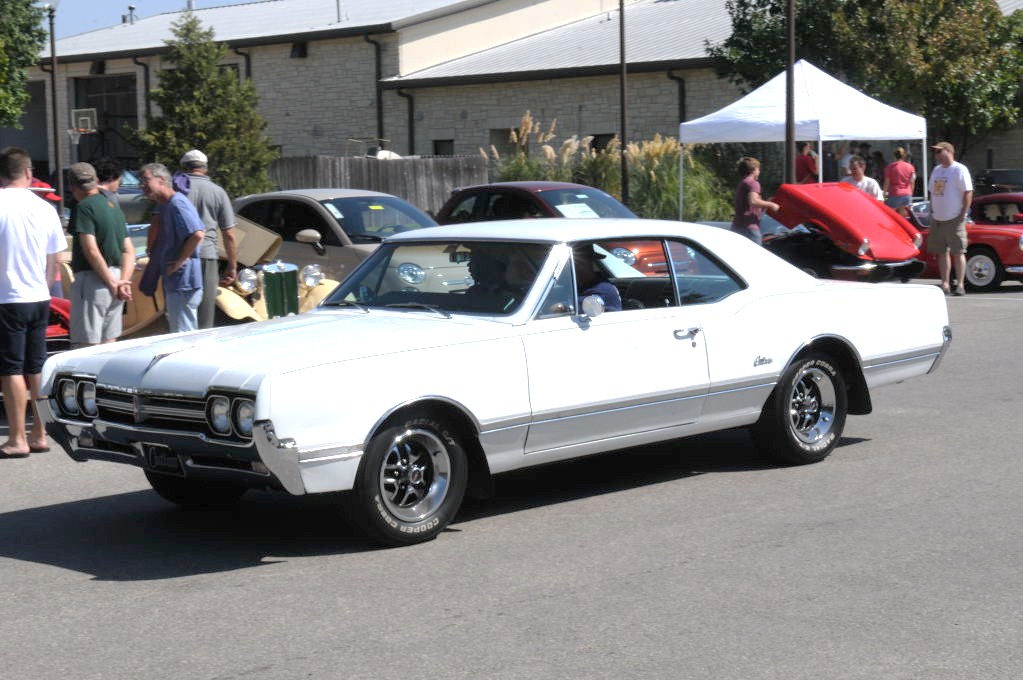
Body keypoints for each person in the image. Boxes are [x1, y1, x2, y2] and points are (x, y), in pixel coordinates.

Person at [0, 147, 66, 458]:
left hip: (7, 297)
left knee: (11, 367)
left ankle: (17, 438)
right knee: (36, 365)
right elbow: (55, 259)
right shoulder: (45, 208)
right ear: (28, 173)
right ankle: (40, 432)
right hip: (39, 295)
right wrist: (45, 288)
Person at [66, 162, 134, 348]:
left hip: (93, 280)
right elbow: (129, 250)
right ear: (96, 180)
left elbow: (91, 249)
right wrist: (123, 282)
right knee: (108, 346)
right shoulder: (113, 207)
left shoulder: (83, 207)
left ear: (72, 186)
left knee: (85, 347)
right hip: (118, 278)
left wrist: (111, 283)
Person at [139, 162, 205, 332]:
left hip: (184, 282)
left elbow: (198, 234)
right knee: (180, 332)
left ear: (161, 180)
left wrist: (179, 262)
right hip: (177, 282)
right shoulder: (167, 205)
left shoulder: (177, 204)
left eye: (145, 180)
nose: (142, 185)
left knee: (183, 335)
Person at [178, 149, 237, 329]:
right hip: (207, 255)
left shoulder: (175, 189)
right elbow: (229, 234)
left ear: (184, 167)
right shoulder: (218, 192)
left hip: (178, 257)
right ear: (205, 168)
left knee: (180, 313)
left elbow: (158, 223)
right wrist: (232, 265)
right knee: (205, 316)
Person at [928, 141, 973, 296]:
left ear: (948, 151)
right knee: (942, 252)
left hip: (954, 217)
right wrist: (932, 210)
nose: (936, 155)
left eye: (939, 151)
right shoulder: (936, 170)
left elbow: (968, 192)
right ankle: (945, 283)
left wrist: (963, 214)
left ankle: (960, 285)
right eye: (935, 152)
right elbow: (932, 192)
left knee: (958, 251)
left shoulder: (959, 169)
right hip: (938, 218)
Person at [731, 157, 780, 245]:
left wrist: (766, 202)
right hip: (749, 228)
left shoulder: (743, 183)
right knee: (756, 253)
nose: (759, 172)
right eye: (758, 169)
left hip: (737, 226)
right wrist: (771, 205)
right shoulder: (753, 183)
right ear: (753, 170)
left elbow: (749, 205)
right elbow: (753, 201)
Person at [573, 244, 622, 312]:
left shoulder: (603, 289)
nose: (575, 265)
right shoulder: (575, 285)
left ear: (588, 261)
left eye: (577, 262)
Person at [883, 147, 917, 217]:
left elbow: (887, 183)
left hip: (894, 193)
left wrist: (883, 194)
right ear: (904, 156)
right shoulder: (910, 167)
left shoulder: (890, 167)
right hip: (907, 194)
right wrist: (910, 194)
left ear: (894, 156)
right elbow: (912, 182)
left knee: (890, 216)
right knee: (903, 217)